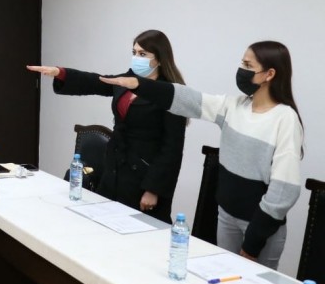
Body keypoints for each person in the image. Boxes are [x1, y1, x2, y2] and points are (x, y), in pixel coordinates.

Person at [99, 40, 304, 269]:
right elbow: (189, 99)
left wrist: (253, 241)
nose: (241, 70)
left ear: (269, 74)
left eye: (248, 65)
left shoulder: (285, 119)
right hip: (227, 218)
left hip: (260, 227)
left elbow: (284, 190)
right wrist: (140, 85)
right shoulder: (233, 106)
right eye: (241, 63)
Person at [27, 30, 187, 224]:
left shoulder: (172, 93)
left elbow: (172, 149)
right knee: (105, 223)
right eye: (134, 52)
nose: (136, 58)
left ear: (160, 59)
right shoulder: (128, 81)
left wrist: (153, 189)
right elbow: (97, 81)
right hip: (114, 168)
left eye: (143, 54)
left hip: (144, 176)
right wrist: (60, 73)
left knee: (138, 229)